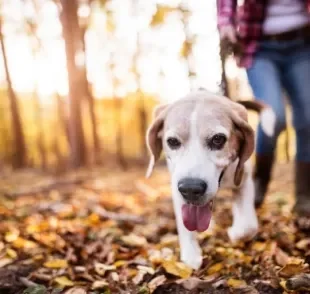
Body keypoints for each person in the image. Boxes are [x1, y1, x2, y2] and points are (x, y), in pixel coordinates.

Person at [216, 0, 310, 217]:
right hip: (259, 46)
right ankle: (259, 183)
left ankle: (304, 196)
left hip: (303, 43)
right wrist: (226, 23)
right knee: (273, 115)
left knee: (308, 120)